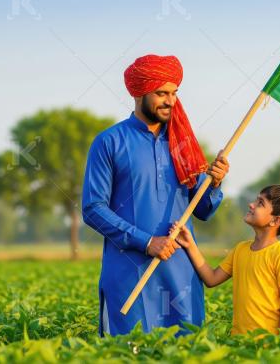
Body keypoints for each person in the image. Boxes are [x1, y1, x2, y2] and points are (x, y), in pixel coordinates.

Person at [82, 54, 230, 336]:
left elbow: (203, 210)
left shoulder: (183, 143)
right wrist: (146, 241)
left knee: (187, 350)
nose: (170, 101)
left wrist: (214, 184)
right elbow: (93, 208)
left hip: (182, 276)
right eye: (162, 93)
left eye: (174, 93)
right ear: (139, 93)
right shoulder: (109, 142)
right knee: (127, 350)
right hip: (129, 274)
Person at [171, 185, 280, 335]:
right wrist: (190, 245)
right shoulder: (240, 249)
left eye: (260, 203)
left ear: (275, 220)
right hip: (238, 340)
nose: (251, 205)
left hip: (266, 342)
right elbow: (211, 279)